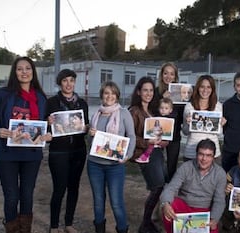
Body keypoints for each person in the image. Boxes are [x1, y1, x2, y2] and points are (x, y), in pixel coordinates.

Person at [0, 56, 51, 233]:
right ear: (14, 72)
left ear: (33, 72)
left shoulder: (41, 97)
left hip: (31, 155)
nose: (24, 72)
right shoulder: (4, 93)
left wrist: (48, 133)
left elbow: (45, 124)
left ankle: (25, 229)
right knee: (11, 196)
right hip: (7, 153)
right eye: (20, 69)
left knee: (27, 195)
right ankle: (11, 229)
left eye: (28, 68)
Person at [88, 81, 136, 233]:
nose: (109, 96)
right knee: (98, 202)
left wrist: (128, 155)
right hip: (94, 164)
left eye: (113, 93)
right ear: (102, 95)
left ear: (117, 96)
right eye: (106, 93)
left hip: (115, 165)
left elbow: (132, 136)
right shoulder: (96, 114)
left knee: (116, 203)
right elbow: (92, 144)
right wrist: (90, 134)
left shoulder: (123, 113)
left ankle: (122, 229)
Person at [45, 68, 89, 233]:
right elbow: (44, 126)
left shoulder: (82, 103)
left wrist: (86, 128)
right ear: (60, 83)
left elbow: (86, 126)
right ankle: (54, 225)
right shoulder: (51, 103)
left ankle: (69, 224)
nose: (69, 84)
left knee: (74, 187)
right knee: (59, 188)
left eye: (71, 80)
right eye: (65, 80)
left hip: (78, 150)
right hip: (58, 152)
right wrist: (47, 121)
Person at [160, 139, 227, 233]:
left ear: (213, 157)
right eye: (201, 154)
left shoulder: (220, 174)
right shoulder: (186, 167)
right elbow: (171, 187)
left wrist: (214, 219)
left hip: (204, 210)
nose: (204, 159)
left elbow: (219, 200)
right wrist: (165, 203)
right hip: (184, 205)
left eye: (208, 155)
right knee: (168, 206)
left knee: (212, 228)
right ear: (196, 154)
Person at [130, 77, 168, 233]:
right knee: (157, 186)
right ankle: (145, 223)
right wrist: (148, 142)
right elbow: (130, 137)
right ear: (139, 92)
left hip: (157, 152)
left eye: (151, 90)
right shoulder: (134, 111)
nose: (148, 93)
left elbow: (161, 131)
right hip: (144, 154)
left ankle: (148, 221)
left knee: (161, 186)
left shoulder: (154, 110)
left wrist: (163, 140)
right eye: (145, 90)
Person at [182, 74, 223, 161]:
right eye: (202, 87)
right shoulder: (189, 106)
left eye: (208, 87)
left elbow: (219, 133)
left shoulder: (218, 106)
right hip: (192, 152)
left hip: (212, 153)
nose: (205, 90)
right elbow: (185, 132)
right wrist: (189, 124)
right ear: (198, 88)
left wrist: (220, 124)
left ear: (212, 89)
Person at [154, 62, 184, 181]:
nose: (168, 76)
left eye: (172, 74)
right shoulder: (156, 92)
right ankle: (157, 190)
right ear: (161, 75)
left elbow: (181, 116)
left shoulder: (180, 94)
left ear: (175, 76)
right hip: (158, 135)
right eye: (166, 73)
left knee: (172, 167)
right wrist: (163, 99)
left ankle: (169, 195)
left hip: (174, 136)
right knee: (157, 166)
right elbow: (152, 114)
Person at [135, 98, 174, 163]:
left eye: (166, 108)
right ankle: (146, 156)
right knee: (151, 144)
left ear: (170, 110)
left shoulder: (171, 119)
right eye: (162, 108)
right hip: (156, 137)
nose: (163, 110)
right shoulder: (156, 116)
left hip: (164, 138)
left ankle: (145, 156)